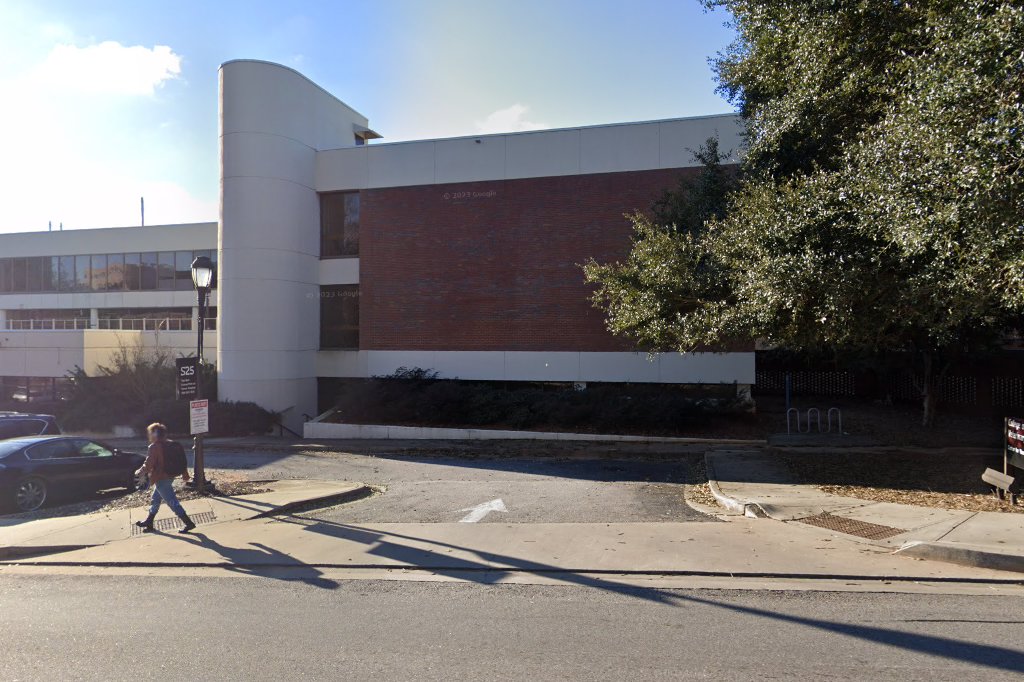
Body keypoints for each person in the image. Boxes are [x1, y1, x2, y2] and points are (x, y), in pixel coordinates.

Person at [134, 423, 196, 533]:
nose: (149, 435)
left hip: (161, 478)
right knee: (155, 499)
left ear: (154, 434)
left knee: (172, 502)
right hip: (169, 476)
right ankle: (149, 522)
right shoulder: (171, 444)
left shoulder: (154, 447)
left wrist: (139, 472)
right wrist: (184, 473)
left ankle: (188, 523)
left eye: (150, 433)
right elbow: (181, 460)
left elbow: (148, 465)